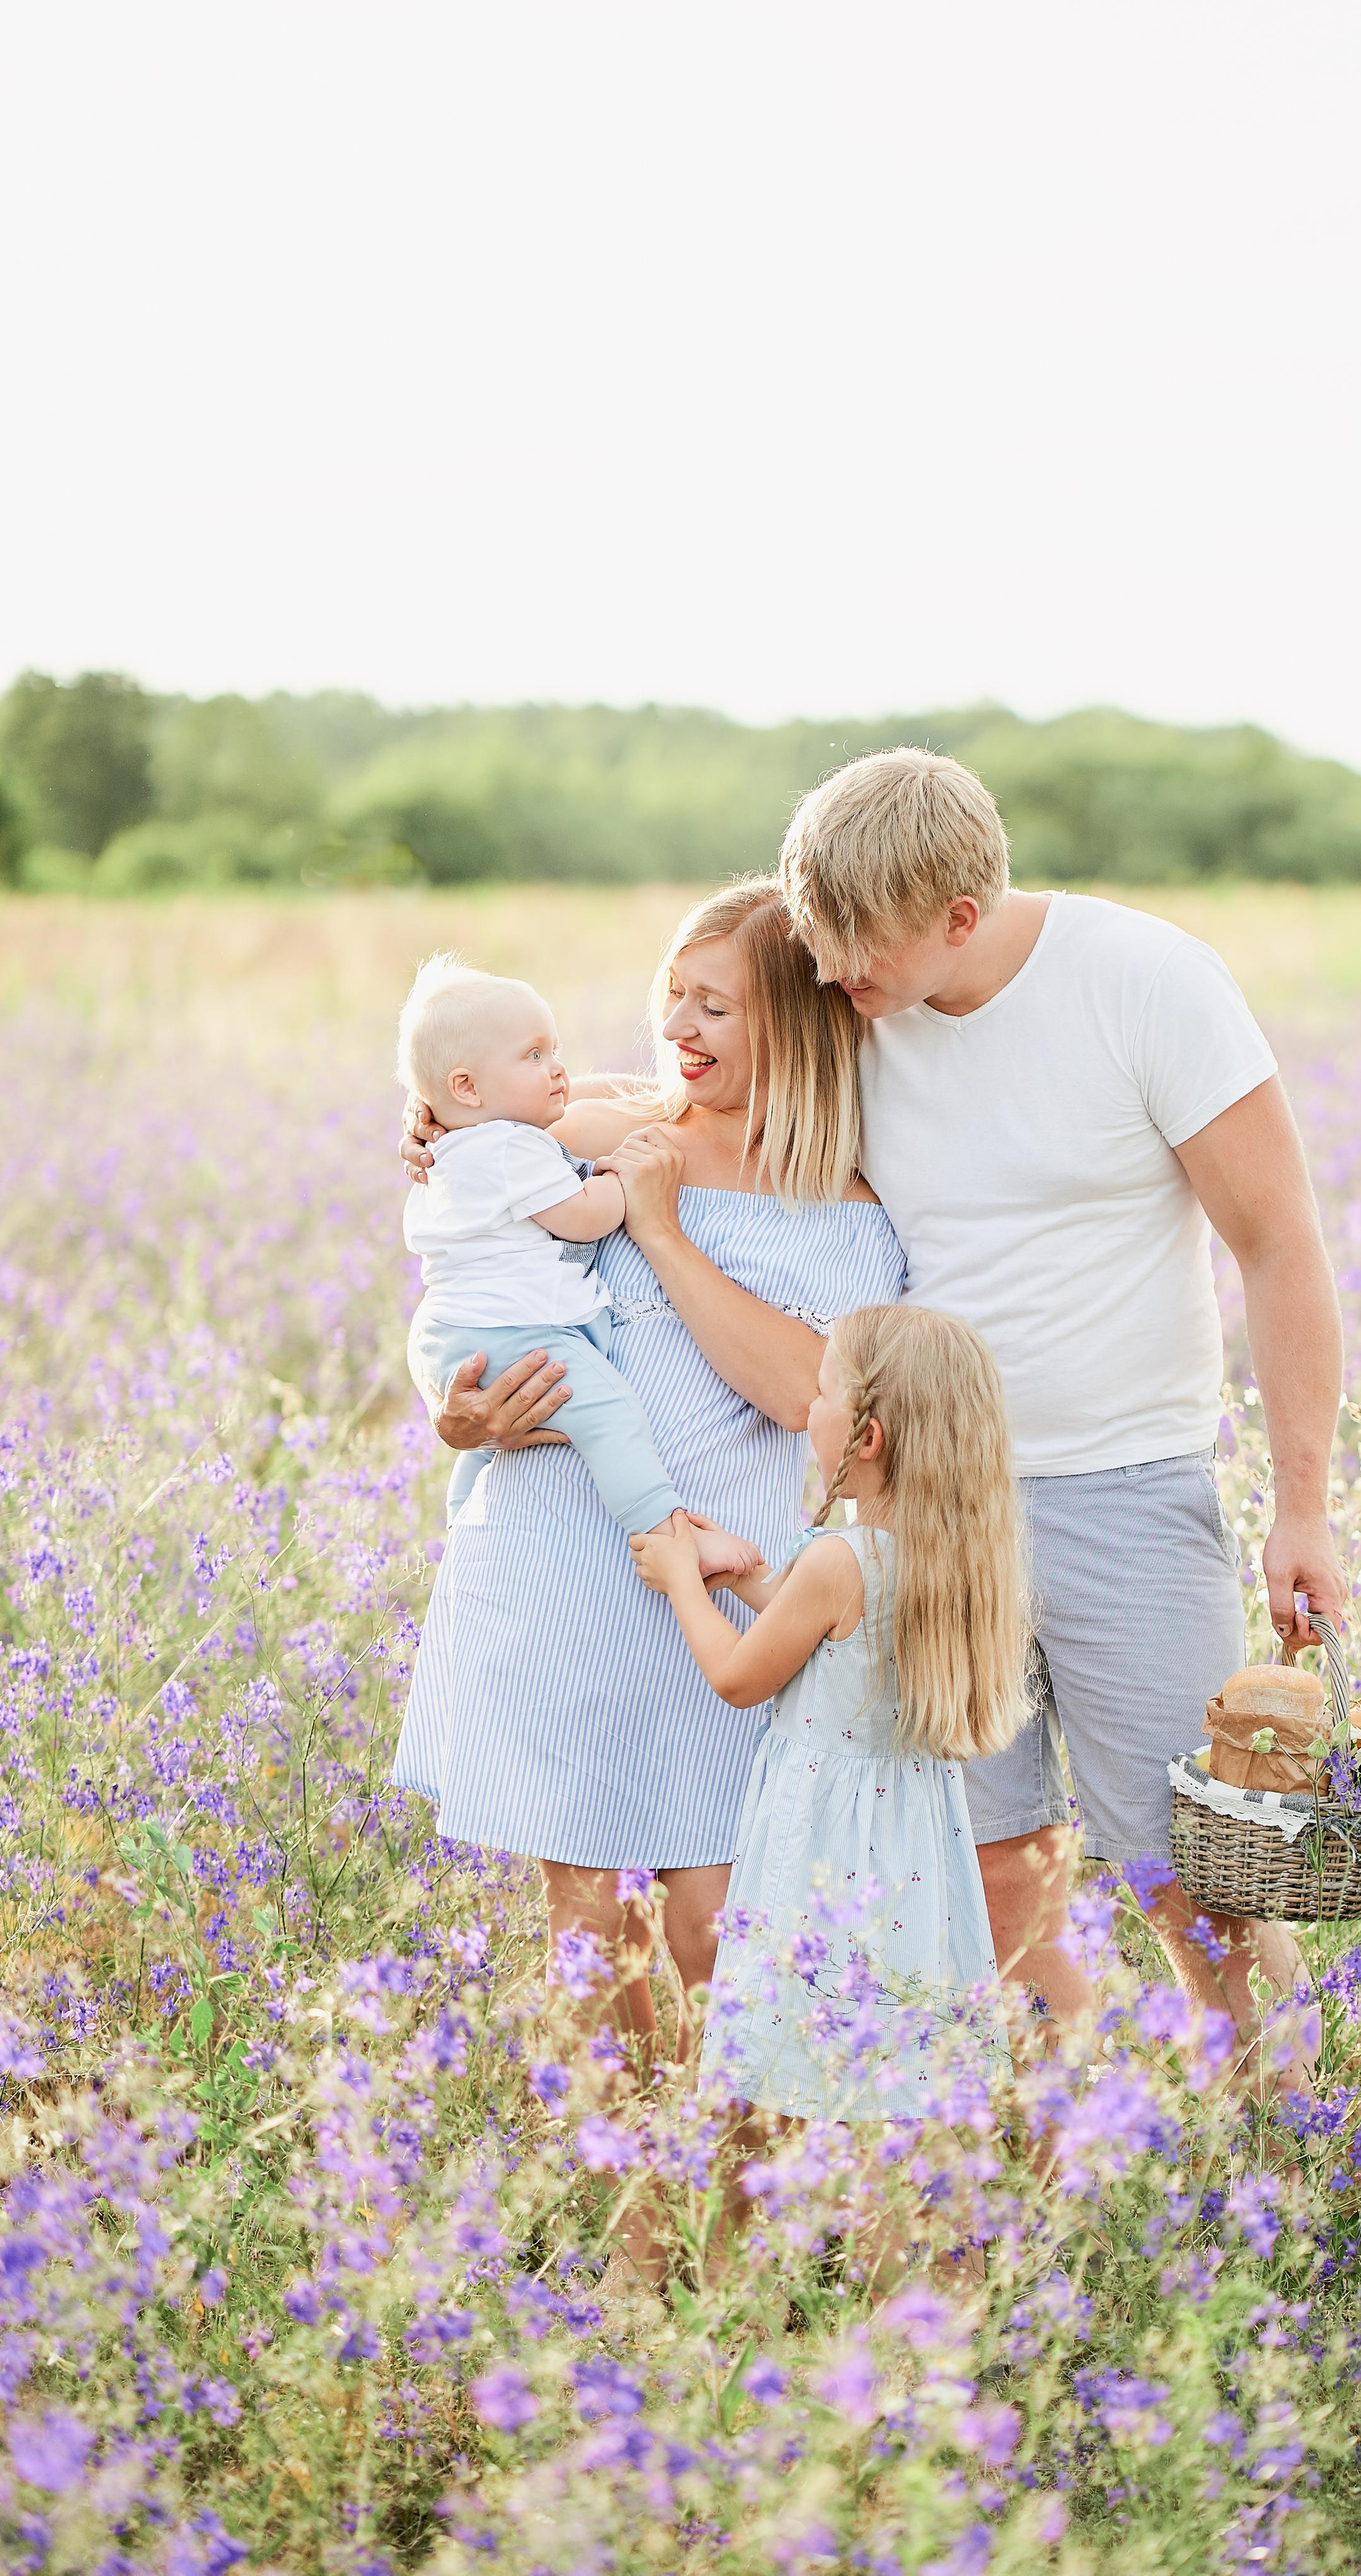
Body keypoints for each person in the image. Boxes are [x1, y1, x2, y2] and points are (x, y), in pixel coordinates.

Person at [778, 749, 1347, 2086]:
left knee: (1197, 1876)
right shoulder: (851, 998)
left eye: (854, 951)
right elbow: (692, 1080)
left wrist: (1301, 1506)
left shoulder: (1147, 984)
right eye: (816, 945)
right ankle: (1056, 2165)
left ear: (958, 918)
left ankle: (1286, 2168)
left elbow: (1277, 1246)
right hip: (928, 1514)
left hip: (1127, 1494)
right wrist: (465, 1132)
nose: (826, 979)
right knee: (980, 1872)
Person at [392, 881, 906, 2057]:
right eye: (672, 994)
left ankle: (736, 2207)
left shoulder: (849, 1203)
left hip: (727, 1588)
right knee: (589, 1927)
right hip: (562, 1562)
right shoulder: (582, 1140)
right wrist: (456, 1414)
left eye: (715, 1007)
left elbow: (802, 1388)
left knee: (716, 1926)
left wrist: (663, 1228)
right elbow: (467, 1295)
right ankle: (637, 2228)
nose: (678, 1026)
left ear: (795, 1023)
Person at [628, 1302, 1024, 2122]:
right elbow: (845, 1639)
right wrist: (748, 1579)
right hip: (913, 1853)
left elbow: (740, 1676)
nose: (808, 1408)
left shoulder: (842, 1559)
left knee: (815, 2056)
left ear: (866, 1437)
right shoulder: (948, 1555)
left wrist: (677, 1579)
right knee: (896, 2087)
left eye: (823, 1391)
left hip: (829, 1852)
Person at [396, 950, 759, 1587]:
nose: (558, 1068)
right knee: (609, 1414)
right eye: (533, 1055)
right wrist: (629, 1177)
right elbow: (587, 1218)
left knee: (484, 1458)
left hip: (456, 1333)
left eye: (554, 1049)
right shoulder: (511, 1147)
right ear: (466, 1089)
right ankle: (667, 1535)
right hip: (516, 1334)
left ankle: (462, 1546)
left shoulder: (461, 1146)